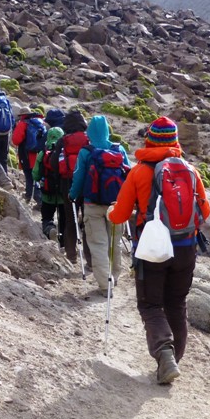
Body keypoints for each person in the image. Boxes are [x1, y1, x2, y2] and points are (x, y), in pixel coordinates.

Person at [106, 116, 210, 385]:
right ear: (175, 141)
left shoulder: (139, 172)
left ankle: (165, 354)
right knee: (177, 303)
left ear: (149, 139)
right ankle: (173, 359)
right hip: (186, 247)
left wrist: (114, 213)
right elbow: (205, 211)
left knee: (151, 305)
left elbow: (118, 216)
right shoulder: (190, 170)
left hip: (152, 250)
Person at [69, 115, 131, 295]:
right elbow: (128, 176)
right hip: (116, 205)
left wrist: (72, 195)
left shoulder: (86, 152)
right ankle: (115, 276)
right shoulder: (119, 149)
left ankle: (105, 285)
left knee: (98, 244)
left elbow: (78, 177)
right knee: (115, 242)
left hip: (92, 204)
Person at [56, 108, 90, 266]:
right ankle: (89, 259)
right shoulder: (88, 139)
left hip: (67, 184)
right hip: (87, 184)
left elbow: (53, 163)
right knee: (88, 220)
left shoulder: (63, 140)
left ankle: (71, 255)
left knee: (70, 220)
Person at [32, 126, 66, 244]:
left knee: (47, 217)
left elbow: (35, 175)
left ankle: (50, 229)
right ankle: (63, 244)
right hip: (63, 194)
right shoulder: (65, 153)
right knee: (64, 221)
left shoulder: (42, 153)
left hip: (47, 194)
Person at [11, 106, 46, 204]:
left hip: (26, 155)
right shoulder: (39, 123)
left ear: (22, 115)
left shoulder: (22, 124)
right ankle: (35, 197)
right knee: (37, 176)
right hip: (38, 154)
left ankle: (31, 196)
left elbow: (16, 140)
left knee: (29, 176)